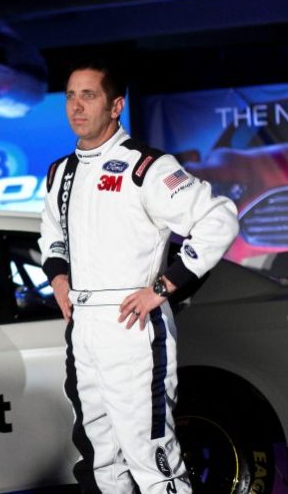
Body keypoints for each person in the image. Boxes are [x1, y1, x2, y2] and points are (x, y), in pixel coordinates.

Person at [39, 62, 239, 492]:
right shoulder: (59, 173)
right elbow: (51, 235)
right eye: (70, 96)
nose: (76, 106)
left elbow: (219, 219)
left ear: (116, 106)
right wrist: (58, 278)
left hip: (133, 325)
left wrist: (164, 286)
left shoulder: (147, 167)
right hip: (83, 326)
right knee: (100, 460)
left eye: (88, 95)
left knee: (150, 457)